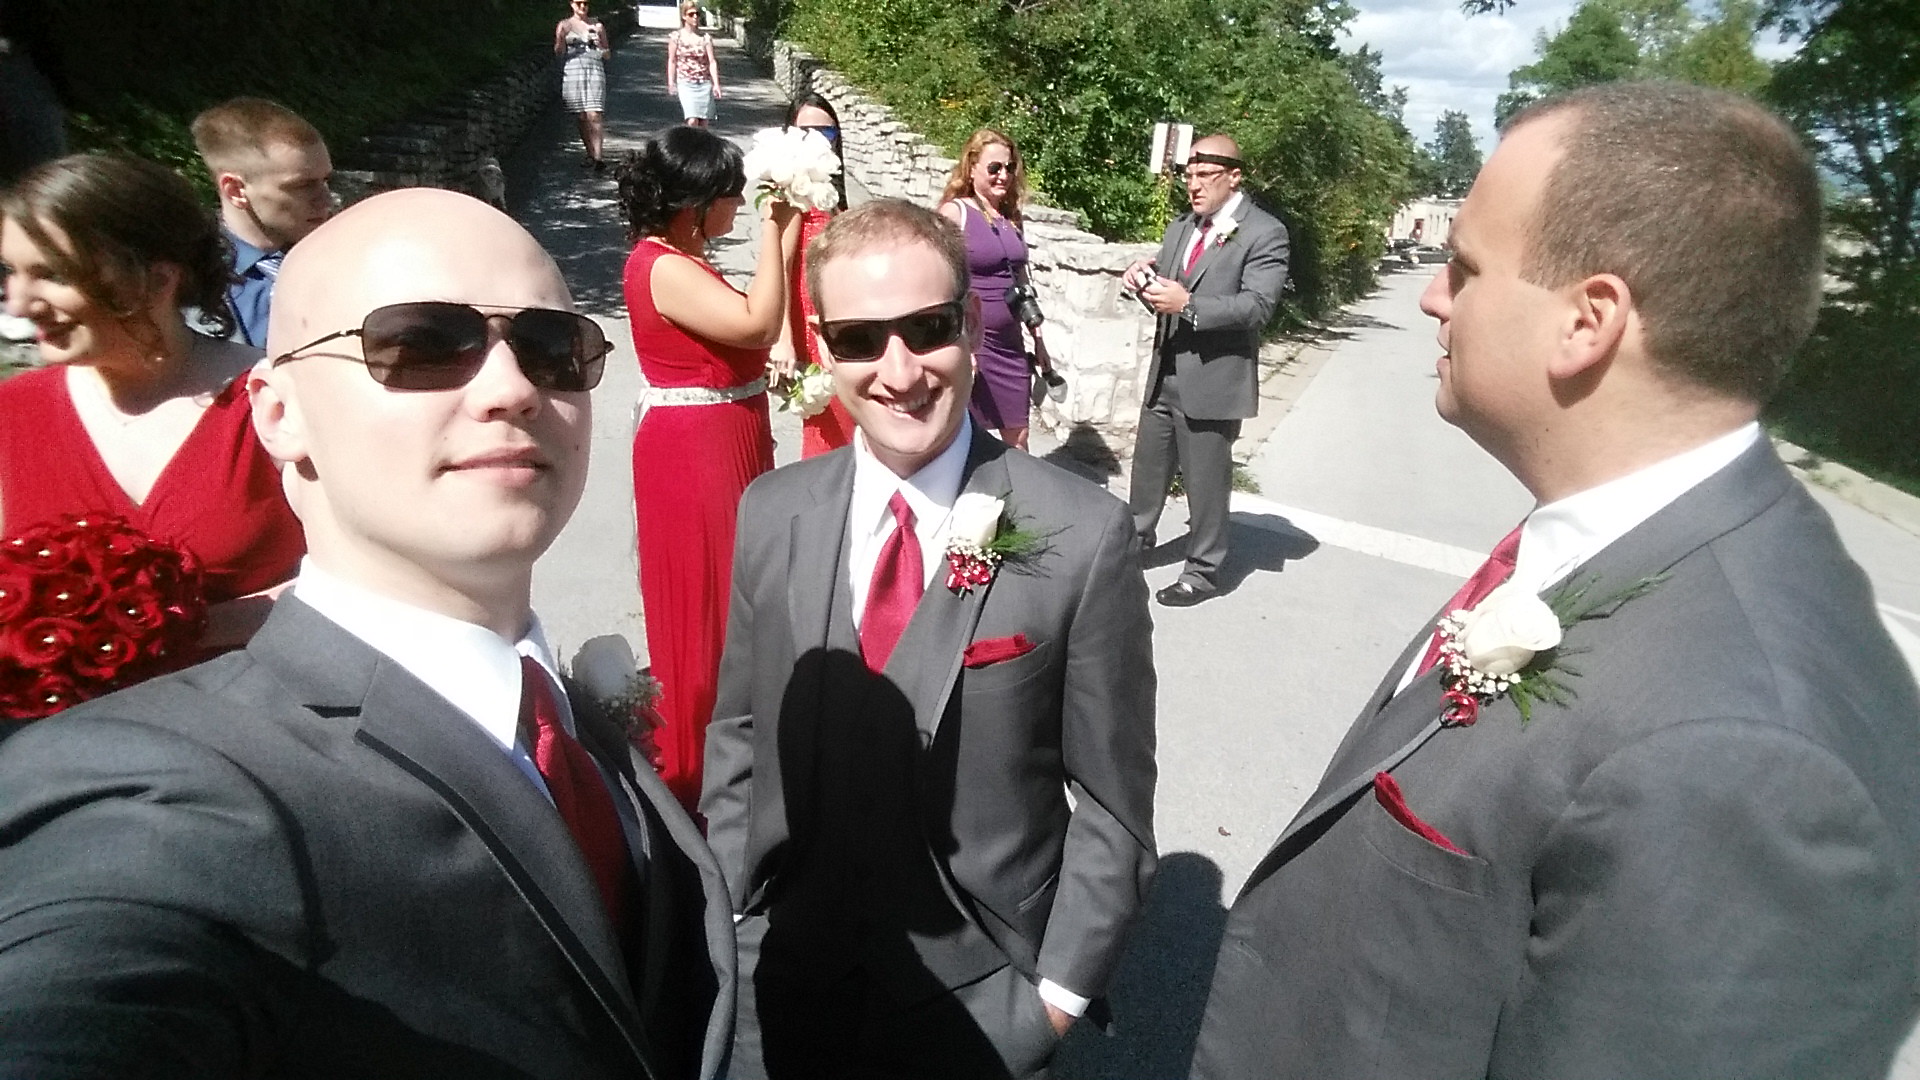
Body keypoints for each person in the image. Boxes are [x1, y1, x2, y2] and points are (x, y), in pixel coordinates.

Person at [1189, 82, 1920, 1080]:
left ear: (1589, 321)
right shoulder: (1621, 541)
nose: (1431, 297)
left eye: (1465, 267)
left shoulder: (1749, 763)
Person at [0, 188, 736, 1079]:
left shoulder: (570, 732)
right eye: (420, 344)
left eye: (553, 348)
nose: (511, 388)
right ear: (279, 413)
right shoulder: (168, 798)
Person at [704, 198, 1157, 1080]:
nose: (899, 371)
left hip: (980, 996)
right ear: (823, 346)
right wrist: (729, 912)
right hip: (781, 974)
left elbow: (1113, 803)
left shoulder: (1083, 534)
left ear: (972, 321)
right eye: (860, 339)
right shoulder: (772, 511)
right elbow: (739, 734)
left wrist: (1055, 1000)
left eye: (928, 327)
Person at [0, 152, 303, 653]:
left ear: (159, 280)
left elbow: (362, 582)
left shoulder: (275, 399)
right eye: (10, 271)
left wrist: (164, 633)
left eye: (53, 274)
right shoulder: (12, 414)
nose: (17, 303)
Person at [616, 125, 800, 811]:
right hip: (697, 450)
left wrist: (786, 229)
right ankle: (708, 768)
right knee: (715, 597)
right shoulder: (662, 265)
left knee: (742, 588)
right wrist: (774, 228)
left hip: (727, 436)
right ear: (694, 203)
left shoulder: (683, 257)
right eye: (730, 195)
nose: (738, 206)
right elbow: (756, 325)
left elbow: (760, 320)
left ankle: (749, 743)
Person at [1124, 134, 1289, 607]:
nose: (1193, 185)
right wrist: (1144, 283)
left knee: (1206, 482)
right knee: (1148, 471)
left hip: (1214, 379)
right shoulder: (1181, 227)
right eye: (1189, 176)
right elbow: (1168, 293)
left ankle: (1203, 571)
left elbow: (1258, 306)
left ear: (1234, 177)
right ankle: (1134, 545)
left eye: (1205, 176)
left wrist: (1190, 305)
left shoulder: (1264, 232)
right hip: (1166, 371)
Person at [935, 129, 1052, 451]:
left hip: (1011, 343)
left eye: (1009, 168)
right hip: (974, 342)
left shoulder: (1011, 217)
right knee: (965, 437)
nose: (1004, 175)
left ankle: (1015, 486)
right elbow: (939, 281)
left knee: (1019, 437)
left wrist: (1038, 339)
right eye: (994, 168)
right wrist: (959, 342)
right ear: (972, 168)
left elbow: (1022, 281)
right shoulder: (955, 213)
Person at [190, 98, 334, 348]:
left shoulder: (345, 257)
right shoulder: (188, 281)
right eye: (302, 186)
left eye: (326, 180)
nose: (326, 199)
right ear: (236, 190)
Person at [769, 91, 855, 458]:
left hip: (838, 323)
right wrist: (783, 340)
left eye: (827, 132)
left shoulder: (831, 193)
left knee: (849, 426)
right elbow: (779, 265)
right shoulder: (790, 193)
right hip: (808, 327)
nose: (818, 141)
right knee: (827, 429)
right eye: (806, 133)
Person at [556, 0, 611, 170]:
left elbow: (607, 54)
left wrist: (599, 45)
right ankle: (590, 153)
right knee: (581, 116)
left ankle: (598, 157)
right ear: (572, 4)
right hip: (573, 72)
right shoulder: (564, 25)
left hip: (594, 70)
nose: (582, 7)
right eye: (578, 3)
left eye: (585, 3)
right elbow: (558, 52)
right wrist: (561, 38)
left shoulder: (597, 26)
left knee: (595, 113)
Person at [666, 1, 720, 128]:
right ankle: (690, 141)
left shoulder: (705, 38)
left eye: (697, 14)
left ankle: (700, 142)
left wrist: (716, 84)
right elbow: (672, 60)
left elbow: (712, 61)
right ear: (684, 16)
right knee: (692, 120)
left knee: (704, 123)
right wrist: (671, 82)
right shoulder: (676, 37)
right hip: (686, 83)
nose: (695, 17)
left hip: (704, 83)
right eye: (691, 14)